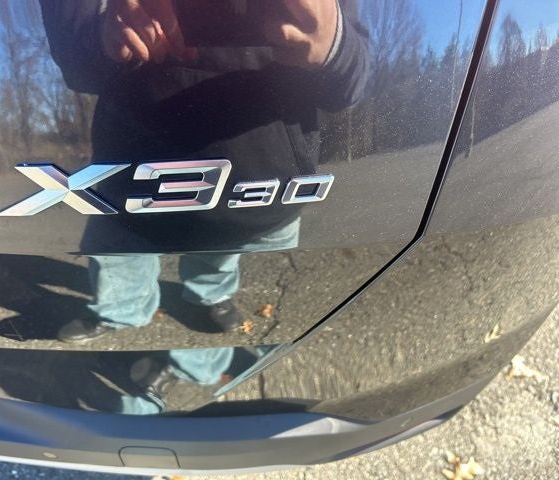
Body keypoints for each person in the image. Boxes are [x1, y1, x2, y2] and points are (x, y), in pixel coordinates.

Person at [38, 0, 369, 410]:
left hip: (262, 179)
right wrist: (105, 30)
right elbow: (75, 66)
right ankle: (119, 314)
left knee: (219, 268)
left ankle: (202, 328)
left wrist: (331, 40)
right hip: (130, 173)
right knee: (118, 261)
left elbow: (350, 84)